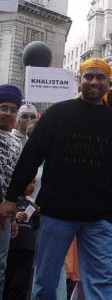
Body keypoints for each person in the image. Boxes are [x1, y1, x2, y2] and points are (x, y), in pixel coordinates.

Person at [0, 58, 112, 299]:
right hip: (57, 214)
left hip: (98, 217)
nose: (94, 82)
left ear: (107, 82)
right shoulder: (57, 114)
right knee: (46, 280)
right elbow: (31, 157)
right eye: (89, 76)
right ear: (80, 80)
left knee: (103, 281)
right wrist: (11, 198)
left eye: (100, 77)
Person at [0, 84, 23, 296]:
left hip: (5, 216)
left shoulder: (16, 143)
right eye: (3, 108)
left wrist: (13, 218)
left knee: (1, 266)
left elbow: (13, 181)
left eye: (13, 109)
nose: (8, 113)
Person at [3, 178, 39, 300]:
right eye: (30, 182)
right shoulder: (11, 201)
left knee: (22, 283)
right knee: (8, 280)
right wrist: (14, 216)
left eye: (34, 182)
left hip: (28, 249)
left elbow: (36, 225)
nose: (32, 186)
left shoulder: (32, 204)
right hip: (12, 248)